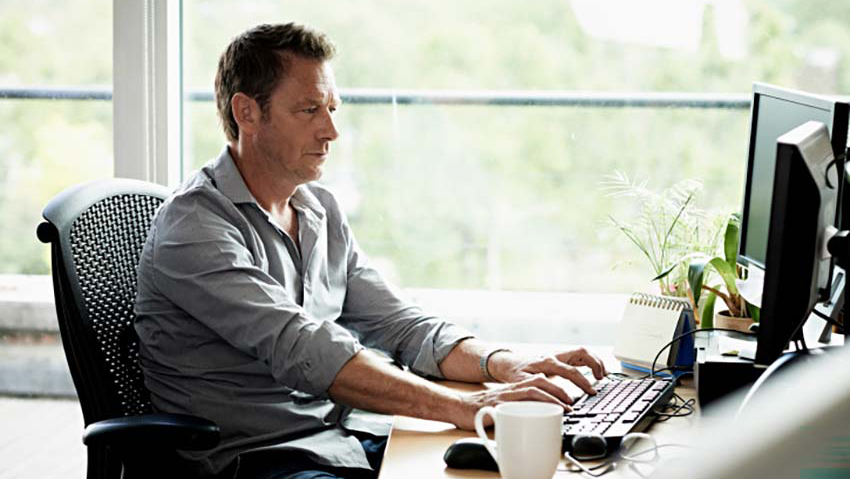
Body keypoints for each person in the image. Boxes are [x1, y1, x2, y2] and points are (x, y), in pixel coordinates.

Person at [134, 22, 607, 479]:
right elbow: (302, 347)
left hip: (346, 435)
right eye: (308, 110)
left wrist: (504, 364)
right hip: (263, 458)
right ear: (247, 113)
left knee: (538, 460)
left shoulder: (318, 209)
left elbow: (398, 323)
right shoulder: (194, 226)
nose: (330, 132)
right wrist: (467, 406)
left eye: (332, 109)